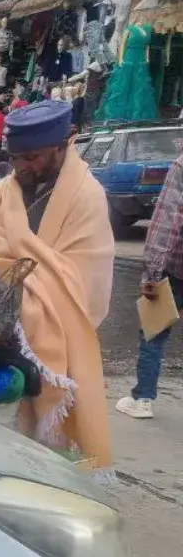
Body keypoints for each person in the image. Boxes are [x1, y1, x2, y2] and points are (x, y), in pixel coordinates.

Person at [0, 99, 114, 472]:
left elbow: (81, 278)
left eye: (33, 157)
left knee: (38, 448)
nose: (23, 167)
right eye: (16, 158)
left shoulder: (86, 196)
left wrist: (20, 288)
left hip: (48, 330)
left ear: (62, 147)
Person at [116, 142, 183, 419]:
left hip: (175, 268)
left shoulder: (181, 166)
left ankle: (143, 399)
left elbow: (168, 222)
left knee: (153, 331)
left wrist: (152, 273)